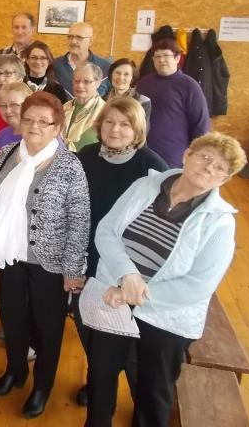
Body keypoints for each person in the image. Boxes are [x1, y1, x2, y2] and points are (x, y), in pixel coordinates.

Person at [85, 132, 247, 427]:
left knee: (152, 390)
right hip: (114, 294)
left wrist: (132, 294)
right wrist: (127, 276)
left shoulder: (220, 221)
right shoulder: (146, 185)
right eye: (205, 157)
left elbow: (199, 285)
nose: (209, 168)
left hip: (164, 316)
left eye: (220, 168)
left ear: (224, 179)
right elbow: (107, 230)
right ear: (187, 155)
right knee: (100, 374)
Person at [0, 91, 89, 419]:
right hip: (10, 257)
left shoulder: (70, 166)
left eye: (43, 121)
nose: (34, 126)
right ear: (19, 122)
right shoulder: (7, 154)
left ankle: (42, 386)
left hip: (49, 263)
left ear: (57, 127)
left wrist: (73, 268)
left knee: (48, 327)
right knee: (12, 319)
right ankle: (16, 371)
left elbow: (80, 220)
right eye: (28, 119)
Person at [74, 96, 168, 407]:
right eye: (110, 122)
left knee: (127, 336)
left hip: (127, 263)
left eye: (125, 124)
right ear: (100, 125)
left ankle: (138, 396)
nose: (116, 129)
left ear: (138, 130)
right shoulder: (86, 155)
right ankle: (99, 380)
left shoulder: (151, 165)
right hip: (87, 254)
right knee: (88, 322)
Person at [136, 40, 210, 168]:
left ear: (177, 58)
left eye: (166, 55)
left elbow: (200, 124)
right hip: (141, 151)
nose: (161, 60)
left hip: (172, 156)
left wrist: (195, 155)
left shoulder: (189, 86)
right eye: (157, 56)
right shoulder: (144, 83)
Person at [52, 22, 111, 99]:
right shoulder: (55, 65)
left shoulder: (106, 67)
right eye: (70, 37)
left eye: (79, 37)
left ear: (90, 41)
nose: (73, 41)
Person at [62, 63, 106, 152]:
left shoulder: (105, 111)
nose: (80, 85)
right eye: (77, 81)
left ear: (98, 83)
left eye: (86, 81)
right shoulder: (65, 107)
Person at [103, 57, 151, 124]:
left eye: (126, 74)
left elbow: (142, 131)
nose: (121, 77)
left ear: (132, 78)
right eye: (117, 73)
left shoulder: (143, 101)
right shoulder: (102, 100)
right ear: (111, 75)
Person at [0, 82, 34, 149]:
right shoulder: (2, 135)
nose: (8, 111)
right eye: (3, 105)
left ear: (29, 105)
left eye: (14, 105)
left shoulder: (37, 135)